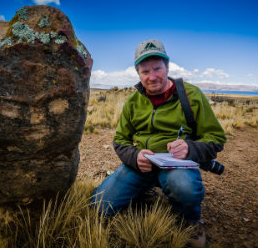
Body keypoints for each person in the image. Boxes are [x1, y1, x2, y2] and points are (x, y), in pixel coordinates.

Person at [91, 39, 226, 248]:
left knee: (183, 188)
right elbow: (120, 140)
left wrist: (190, 148)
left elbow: (216, 139)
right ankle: (146, 189)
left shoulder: (191, 95)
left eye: (157, 69)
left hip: (177, 166)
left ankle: (191, 222)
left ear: (167, 67)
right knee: (100, 206)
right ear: (138, 73)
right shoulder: (132, 102)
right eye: (145, 71)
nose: (152, 77)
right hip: (141, 166)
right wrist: (134, 157)